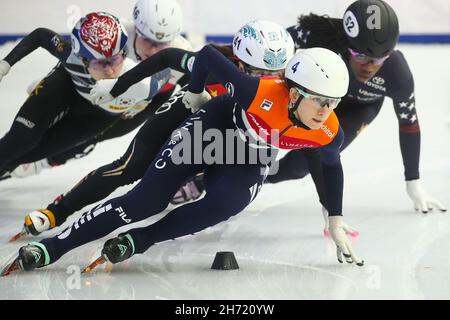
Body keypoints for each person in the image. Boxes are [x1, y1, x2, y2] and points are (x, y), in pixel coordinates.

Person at [2, 43, 367, 276]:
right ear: (293, 93)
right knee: (143, 200)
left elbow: (331, 166)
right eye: (320, 100)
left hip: (249, 153)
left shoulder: (326, 129)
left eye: (333, 103)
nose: (327, 111)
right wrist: (193, 94)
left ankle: (141, 240)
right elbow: (208, 55)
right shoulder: (257, 91)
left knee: (226, 203)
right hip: (215, 125)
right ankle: (53, 246)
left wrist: (335, 217)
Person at [10, 20, 295, 241]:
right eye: (258, 74)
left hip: (227, 131)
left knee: (238, 163)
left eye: (277, 75)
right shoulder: (218, 67)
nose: (268, 82)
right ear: (240, 63)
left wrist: (333, 214)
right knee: (128, 167)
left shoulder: (289, 88)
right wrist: (119, 86)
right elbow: (167, 57)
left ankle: (194, 183)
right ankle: (57, 211)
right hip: (188, 109)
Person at [173, 0, 447, 224]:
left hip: (356, 109)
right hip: (308, 95)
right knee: (254, 130)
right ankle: (204, 168)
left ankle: (207, 181)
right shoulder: (320, 36)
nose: (369, 66)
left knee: (297, 167)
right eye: (360, 56)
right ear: (346, 43)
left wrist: (414, 182)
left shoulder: (397, 74)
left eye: (378, 59)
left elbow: (409, 123)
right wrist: (213, 67)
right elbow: (269, 46)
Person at [0, 0, 191, 180]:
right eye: (148, 40)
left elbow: (191, 95)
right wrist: (45, 80)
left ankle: (37, 164)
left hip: (122, 105)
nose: (154, 50)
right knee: (20, 141)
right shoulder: (116, 33)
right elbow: (65, 47)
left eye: (164, 43)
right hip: (78, 85)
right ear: (136, 30)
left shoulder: (178, 54)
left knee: (70, 144)